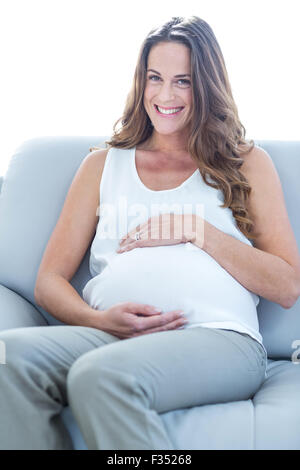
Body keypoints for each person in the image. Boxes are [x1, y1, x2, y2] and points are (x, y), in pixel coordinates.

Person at [1, 15, 300, 451]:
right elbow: (49, 282)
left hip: (219, 339)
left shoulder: (246, 163)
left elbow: (287, 285)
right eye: (154, 78)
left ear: (208, 86)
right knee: (6, 359)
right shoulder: (101, 166)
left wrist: (196, 230)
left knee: (100, 377)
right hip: (111, 336)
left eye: (183, 81)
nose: (165, 95)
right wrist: (100, 320)